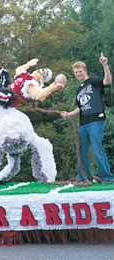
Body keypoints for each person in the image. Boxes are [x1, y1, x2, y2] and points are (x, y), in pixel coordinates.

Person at [61, 52, 113, 184]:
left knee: (97, 148)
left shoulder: (94, 81)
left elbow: (108, 81)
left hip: (96, 120)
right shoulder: (79, 89)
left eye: (80, 71)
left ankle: (107, 178)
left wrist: (105, 65)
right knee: (80, 150)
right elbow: (80, 107)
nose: (78, 74)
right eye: (76, 72)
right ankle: (84, 178)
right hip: (83, 123)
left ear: (85, 70)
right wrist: (69, 114)